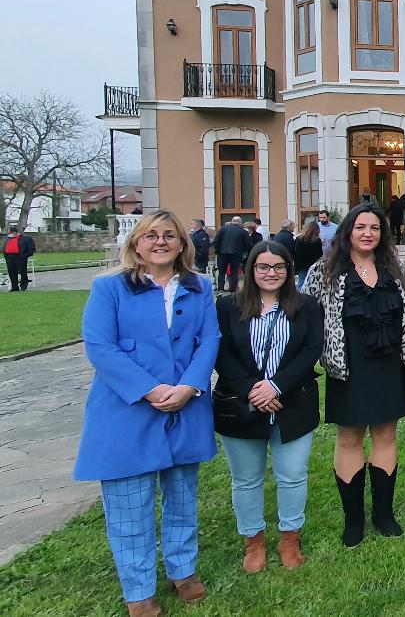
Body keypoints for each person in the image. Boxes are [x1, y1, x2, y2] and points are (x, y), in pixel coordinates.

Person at [74, 210, 220, 616]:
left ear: (182, 244)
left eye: (169, 235)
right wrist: (151, 389)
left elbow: (209, 339)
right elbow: (100, 347)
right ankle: (139, 590)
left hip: (185, 408)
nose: (160, 242)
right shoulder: (110, 290)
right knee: (129, 507)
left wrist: (190, 386)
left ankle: (183, 570)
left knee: (182, 498)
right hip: (129, 411)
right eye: (150, 235)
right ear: (135, 244)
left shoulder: (198, 288)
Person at [302, 204, 405, 547]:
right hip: (347, 368)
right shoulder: (324, 271)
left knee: (386, 435)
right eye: (361, 227)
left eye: (375, 228)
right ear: (348, 231)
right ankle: (353, 520)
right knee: (349, 438)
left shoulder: (394, 268)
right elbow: (306, 318)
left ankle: (383, 514)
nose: (368, 233)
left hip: (390, 364)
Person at [213, 242, 324, 572]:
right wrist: (252, 389)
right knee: (246, 479)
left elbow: (311, 349)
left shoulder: (306, 306)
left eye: (279, 267)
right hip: (241, 404)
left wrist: (276, 386)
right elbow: (222, 354)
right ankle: (253, 541)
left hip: (293, 402)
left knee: (292, 476)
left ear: (289, 271)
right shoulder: (227, 307)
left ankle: (290, 537)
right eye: (263, 267)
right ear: (251, 270)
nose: (271, 273)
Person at [213, 216, 249, 292]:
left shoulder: (223, 229)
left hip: (222, 253)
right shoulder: (243, 231)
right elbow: (247, 244)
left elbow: (216, 240)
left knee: (221, 272)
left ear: (232, 221)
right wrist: (243, 252)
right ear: (240, 223)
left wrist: (217, 250)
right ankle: (233, 289)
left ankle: (220, 289)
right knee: (234, 272)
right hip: (236, 254)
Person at [4, 225, 36, 292]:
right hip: (10, 257)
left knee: (22, 272)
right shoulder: (8, 239)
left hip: (20, 257)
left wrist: (24, 256)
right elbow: (5, 248)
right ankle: (14, 286)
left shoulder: (26, 238)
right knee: (12, 272)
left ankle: (23, 285)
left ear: (15, 232)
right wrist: (6, 257)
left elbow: (31, 249)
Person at [292, 221, 323, 289]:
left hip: (302, 266)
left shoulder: (299, 239)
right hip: (313, 266)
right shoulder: (317, 241)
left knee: (301, 283)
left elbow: (297, 254)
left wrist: (296, 267)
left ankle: (299, 298)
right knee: (313, 283)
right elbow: (319, 255)